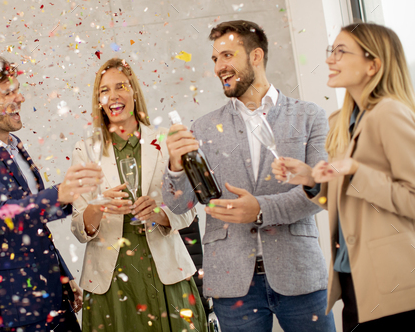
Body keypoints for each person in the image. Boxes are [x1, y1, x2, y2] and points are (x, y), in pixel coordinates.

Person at [162, 20, 336, 331]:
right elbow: (179, 205)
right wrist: (175, 165)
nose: (219, 67)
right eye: (215, 59)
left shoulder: (309, 116)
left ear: (255, 56)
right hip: (232, 283)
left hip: (300, 274)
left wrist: (260, 210)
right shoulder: (202, 127)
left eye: (227, 56)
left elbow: (321, 193)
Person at [271, 23, 415, 331]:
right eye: (330, 51)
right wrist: (312, 179)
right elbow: (353, 202)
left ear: (373, 64)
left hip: (396, 284)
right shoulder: (341, 121)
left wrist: (356, 171)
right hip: (355, 282)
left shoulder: (389, 113)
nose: (330, 59)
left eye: (341, 51)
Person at [0, 56, 102, 332]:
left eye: (17, 89)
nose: (20, 97)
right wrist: (60, 193)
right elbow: (5, 216)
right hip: (21, 306)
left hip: (56, 295)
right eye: (8, 92)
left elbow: (34, 223)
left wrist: (63, 275)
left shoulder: (14, 144)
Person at [70, 58, 207, 331]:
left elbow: (189, 209)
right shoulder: (84, 150)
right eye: (104, 90)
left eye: (120, 86)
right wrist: (99, 206)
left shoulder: (166, 141)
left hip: (167, 275)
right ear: (99, 101)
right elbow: (77, 226)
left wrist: (161, 214)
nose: (113, 96)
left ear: (134, 91)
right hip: (109, 283)